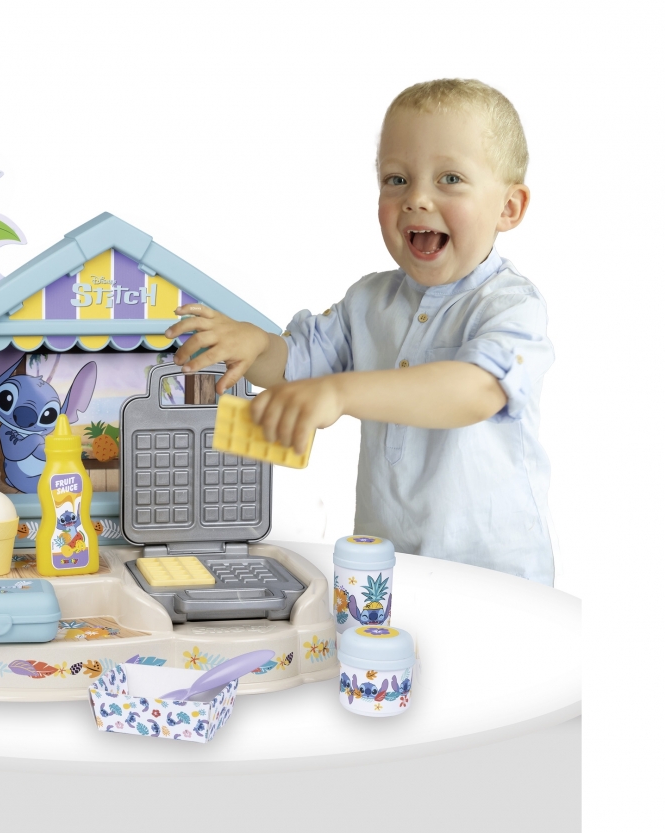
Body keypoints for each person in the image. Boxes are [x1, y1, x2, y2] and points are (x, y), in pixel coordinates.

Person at [166, 79, 555, 584]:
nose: (416, 198)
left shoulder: (511, 305)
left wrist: (340, 392)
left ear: (509, 208)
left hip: (496, 580)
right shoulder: (369, 301)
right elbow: (297, 366)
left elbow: (476, 391)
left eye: (450, 178)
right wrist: (257, 346)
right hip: (384, 571)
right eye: (396, 179)